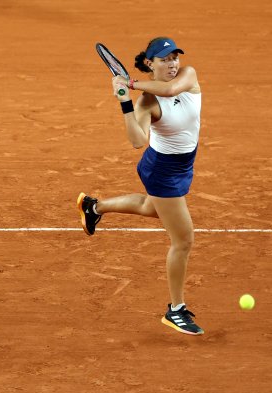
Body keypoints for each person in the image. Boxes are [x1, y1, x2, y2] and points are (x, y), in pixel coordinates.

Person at [77, 37, 204, 335]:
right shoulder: (146, 101)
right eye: (164, 59)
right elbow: (137, 141)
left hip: (184, 163)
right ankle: (175, 310)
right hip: (162, 170)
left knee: (151, 207)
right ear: (150, 63)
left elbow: (171, 90)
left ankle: (94, 206)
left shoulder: (188, 75)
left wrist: (130, 84)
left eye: (174, 57)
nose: (172, 64)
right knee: (183, 239)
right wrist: (124, 100)